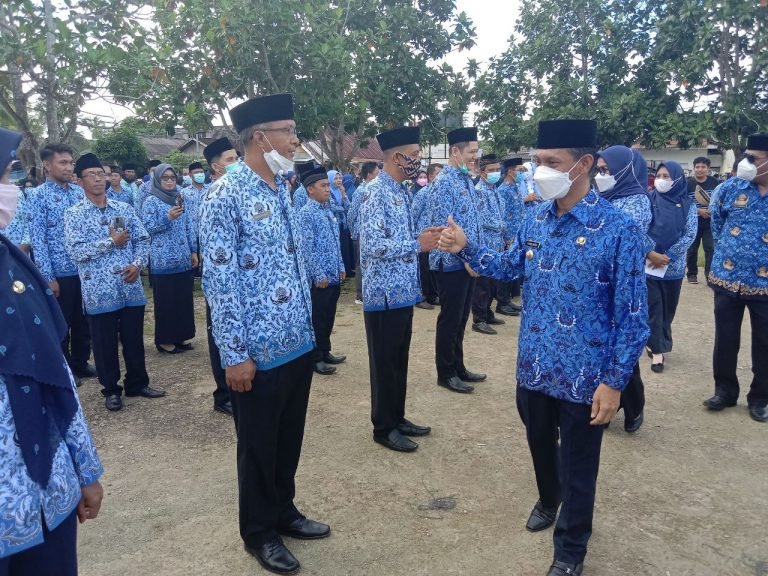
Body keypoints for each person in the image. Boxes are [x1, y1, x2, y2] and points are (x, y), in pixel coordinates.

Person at [437, 119, 649, 576]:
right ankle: (547, 498)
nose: (539, 171)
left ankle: (570, 550)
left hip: (584, 377)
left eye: (551, 163)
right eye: (536, 162)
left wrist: (614, 383)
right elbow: (507, 265)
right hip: (533, 366)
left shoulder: (617, 229)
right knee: (538, 444)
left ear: (584, 165)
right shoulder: (536, 218)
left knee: (579, 465)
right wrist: (465, 247)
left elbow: (633, 318)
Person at [199, 93, 330, 575]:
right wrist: (234, 354)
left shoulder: (281, 187)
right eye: (289, 131)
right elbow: (220, 281)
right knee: (257, 443)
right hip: (256, 351)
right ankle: (259, 531)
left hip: (296, 341)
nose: (296, 140)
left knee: (288, 437)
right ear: (261, 137)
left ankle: (284, 510)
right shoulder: (225, 194)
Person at [0, 127, 104, 575]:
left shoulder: (8, 264)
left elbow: (52, 375)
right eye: (4, 175)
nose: (10, 189)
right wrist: (49, 274)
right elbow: (40, 235)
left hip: (44, 481)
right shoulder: (41, 201)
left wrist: (85, 468)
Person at [359, 125, 443, 452]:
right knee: (384, 364)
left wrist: (425, 236)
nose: (419, 161)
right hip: (382, 296)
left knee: (399, 359)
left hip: (403, 292)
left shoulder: (400, 190)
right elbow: (372, 246)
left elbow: (402, 239)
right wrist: (416, 244)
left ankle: (398, 416)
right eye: (416, 155)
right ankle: (383, 426)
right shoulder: (374, 191)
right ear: (397, 157)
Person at [64, 153, 165, 412]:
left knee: (133, 338)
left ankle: (137, 382)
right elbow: (77, 252)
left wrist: (137, 264)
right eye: (91, 175)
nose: (98, 179)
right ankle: (111, 390)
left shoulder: (122, 209)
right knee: (104, 343)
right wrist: (111, 242)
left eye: (101, 174)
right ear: (79, 181)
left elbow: (141, 239)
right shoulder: (74, 215)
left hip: (129, 285)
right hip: (99, 290)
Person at [704, 133, 768, 423]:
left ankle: (760, 398)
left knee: (764, 343)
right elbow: (716, 223)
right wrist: (729, 255)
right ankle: (725, 391)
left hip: (765, 286)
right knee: (726, 339)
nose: (746, 163)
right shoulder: (730, 188)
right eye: (745, 157)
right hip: (727, 279)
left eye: (753, 159)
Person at [595, 146, 654, 432]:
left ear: (623, 171)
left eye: (606, 170)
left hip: (623, 286)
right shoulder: (599, 196)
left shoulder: (637, 201)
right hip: (596, 285)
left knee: (623, 350)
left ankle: (633, 408)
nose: (601, 175)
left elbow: (625, 235)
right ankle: (600, 407)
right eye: (599, 169)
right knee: (598, 349)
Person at [423, 127, 485, 394]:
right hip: (450, 261)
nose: (475, 157)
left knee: (461, 317)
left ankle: (458, 366)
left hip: (466, 261)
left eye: (476, 152)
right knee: (450, 318)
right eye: (471, 152)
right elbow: (443, 229)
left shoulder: (464, 180)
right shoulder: (444, 183)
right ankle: (445, 372)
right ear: (455, 152)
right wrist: (465, 257)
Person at [29, 143, 97, 385]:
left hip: (85, 268)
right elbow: (38, 239)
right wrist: (48, 276)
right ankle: (65, 366)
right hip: (59, 271)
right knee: (61, 322)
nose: (70, 167)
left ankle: (81, 361)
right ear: (47, 166)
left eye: (71, 163)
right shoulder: (37, 196)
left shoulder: (79, 193)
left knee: (83, 320)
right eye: (63, 163)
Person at [645, 161, 697, 373]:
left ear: (677, 179)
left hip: (673, 268)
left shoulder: (688, 204)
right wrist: (651, 253)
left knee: (668, 309)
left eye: (667, 176)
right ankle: (658, 352)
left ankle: (653, 340)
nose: (662, 180)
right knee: (654, 306)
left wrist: (668, 256)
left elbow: (690, 233)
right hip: (649, 264)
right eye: (659, 175)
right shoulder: (648, 199)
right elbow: (640, 227)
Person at [141, 163, 198, 354]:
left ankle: (180, 336)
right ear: (157, 179)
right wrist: (167, 218)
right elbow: (146, 228)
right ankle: (165, 341)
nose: (169, 181)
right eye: (165, 178)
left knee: (182, 300)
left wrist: (193, 250)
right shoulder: (151, 201)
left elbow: (188, 224)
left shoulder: (179, 197)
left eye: (172, 178)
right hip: (162, 260)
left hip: (183, 259)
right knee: (166, 302)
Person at [201, 137, 239, 416]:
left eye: (237, 157)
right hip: (219, 279)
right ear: (216, 166)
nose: (236, 164)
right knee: (219, 338)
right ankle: (222, 393)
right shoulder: (215, 194)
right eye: (230, 160)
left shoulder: (238, 191)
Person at [297, 165, 347, 376]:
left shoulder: (327, 210)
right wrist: (318, 275)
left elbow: (336, 243)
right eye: (323, 186)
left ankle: (325, 350)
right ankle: (315, 357)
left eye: (328, 185)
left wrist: (341, 267)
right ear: (310, 189)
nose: (328, 189)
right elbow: (307, 249)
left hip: (333, 273)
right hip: (320, 278)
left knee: (329, 315)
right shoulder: (306, 214)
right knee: (318, 317)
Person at [471, 154, 507, 335]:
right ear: (482, 172)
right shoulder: (478, 191)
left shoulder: (495, 189)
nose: (495, 173)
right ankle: (479, 319)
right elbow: (481, 219)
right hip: (485, 242)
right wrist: (500, 226)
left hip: (497, 243)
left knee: (493, 282)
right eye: (491, 170)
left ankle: (488, 312)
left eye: (497, 170)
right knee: (482, 284)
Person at [494, 157, 526, 317]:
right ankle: (501, 302)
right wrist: (507, 237)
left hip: (517, 235)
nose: (522, 173)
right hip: (508, 237)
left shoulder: (515, 188)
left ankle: (507, 300)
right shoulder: (504, 190)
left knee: (512, 268)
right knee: (505, 267)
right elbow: (503, 216)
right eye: (520, 170)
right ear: (510, 171)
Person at [347, 161, 380, 305]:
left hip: (373, 233)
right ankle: (360, 294)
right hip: (361, 233)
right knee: (361, 263)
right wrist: (354, 231)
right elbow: (351, 214)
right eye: (377, 173)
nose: (379, 175)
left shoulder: (375, 189)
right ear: (369, 175)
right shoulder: (361, 191)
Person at [412, 163, 443, 310]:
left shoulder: (442, 193)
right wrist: (416, 236)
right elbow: (414, 215)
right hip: (423, 237)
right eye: (438, 174)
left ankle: (432, 295)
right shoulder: (423, 193)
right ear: (430, 176)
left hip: (436, 238)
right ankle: (421, 296)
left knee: (432, 268)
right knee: (423, 269)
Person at [685, 156, 719, 283]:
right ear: (694, 168)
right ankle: (692, 274)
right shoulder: (688, 183)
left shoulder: (715, 182)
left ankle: (709, 275)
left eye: (703, 167)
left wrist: (711, 210)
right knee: (692, 248)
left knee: (710, 247)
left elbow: (719, 199)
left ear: (708, 169)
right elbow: (684, 203)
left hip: (710, 221)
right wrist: (698, 211)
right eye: (697, 167)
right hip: (693, 220)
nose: (700, 169)